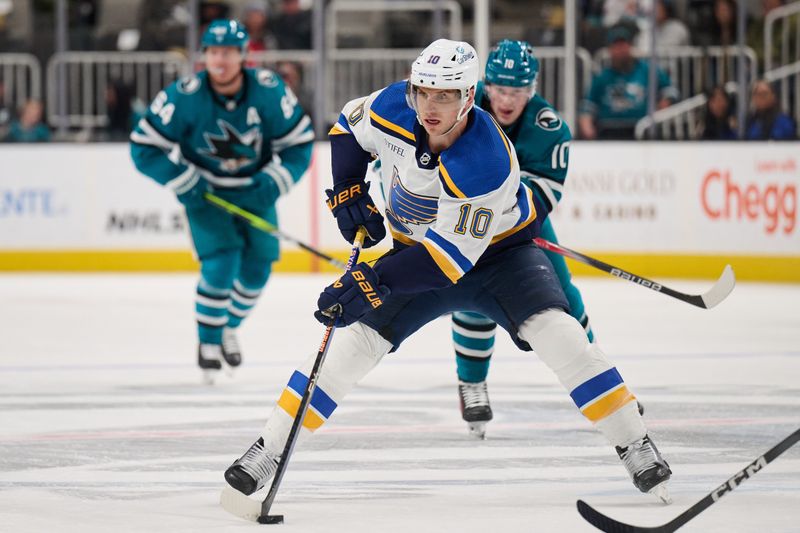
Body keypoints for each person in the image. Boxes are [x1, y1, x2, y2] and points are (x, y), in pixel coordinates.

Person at [223, 38, 672, 504]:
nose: (429, 106)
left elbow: (448, 260)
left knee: (562, 334)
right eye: (423, 92)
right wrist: (348, 192)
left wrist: (372, 281)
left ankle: (633, 440)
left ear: (468, 98)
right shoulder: (393, 104)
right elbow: (346, 130)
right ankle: (269, 449)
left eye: (444, 95)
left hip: (499, 258)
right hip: (414, 252)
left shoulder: (486, 160)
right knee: (350, 348)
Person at [129, 19, 313, 382]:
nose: (220, 60)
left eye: (228, 52)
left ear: (243, 56)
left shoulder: (269, 90)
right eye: (214, 52)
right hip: (206, 195)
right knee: (221, 264)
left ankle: (228, 326)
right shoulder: (183, 95)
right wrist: (182, 180)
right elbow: (144, 147)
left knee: (259, 267)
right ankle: (208, 342)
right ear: (204, 56)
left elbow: (299, 144)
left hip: (255, 190)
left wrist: (275, 181)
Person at [443, 40, 596, 438]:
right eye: (499, 90)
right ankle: (472, 385)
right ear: (485, 85)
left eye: (517, 92)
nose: (507, 100)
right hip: (468, 224)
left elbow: (546, 192)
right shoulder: (462, 111)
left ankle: (598, 378)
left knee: (564, 295)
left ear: (532, 90)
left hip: (525, 224)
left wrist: (510, 212)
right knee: (474, 298)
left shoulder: (548, 127)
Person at [579, 23, 679, 140]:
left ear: (630, 46)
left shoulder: (648, 70)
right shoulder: (602, 77)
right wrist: (587, 127)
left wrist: (663, 105)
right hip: (608, 131)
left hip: (641, 129)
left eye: (623, 45)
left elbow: (670, 91)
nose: (620, 50)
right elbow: (587, 107)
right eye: (616, 46)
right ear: (610, 50)